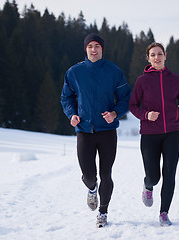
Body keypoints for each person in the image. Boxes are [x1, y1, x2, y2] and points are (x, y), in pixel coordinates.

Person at [60, 33, 131, 228]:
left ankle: (103, 212)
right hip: (84, 130)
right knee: (89, 175)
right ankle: (92, 189)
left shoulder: (113, 71)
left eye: (97, 46)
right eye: (90, 46)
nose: (94, 49)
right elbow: (66, 98)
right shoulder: (74, 72)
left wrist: (115, 113)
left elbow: (126, 97)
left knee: (106, 174)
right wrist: (71, 115)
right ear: (85, 49)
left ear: (102, 49)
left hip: (107, 131)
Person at [129, 42, 179, 227]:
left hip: (173, 132)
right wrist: (146, 115)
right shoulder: (142, 81)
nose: (157, 57)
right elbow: (133, 106)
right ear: (148, 59)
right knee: (154, 176)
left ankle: (164, 213)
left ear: (165, 56)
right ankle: (148, 185)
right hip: (150, 134)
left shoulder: (176, 79)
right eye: (153, 55)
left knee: (170, 173)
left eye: (160, 54)